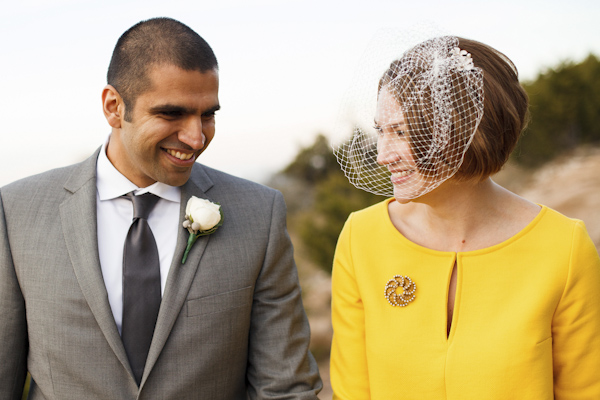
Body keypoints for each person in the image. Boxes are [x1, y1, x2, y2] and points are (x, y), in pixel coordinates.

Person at [0, 17, 321, 399]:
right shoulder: (15, 212)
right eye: (171, 113)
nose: (196, 136)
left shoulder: (260, 213)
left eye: (208, 114)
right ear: (114, 107)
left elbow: (285, 388)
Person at [330, 36, 600, 399]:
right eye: (382, 130)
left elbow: (585, 391)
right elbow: (352, 391)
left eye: (401, 132)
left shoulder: (563, 248)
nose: (382, 155)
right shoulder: (360, 238)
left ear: (461, 134)